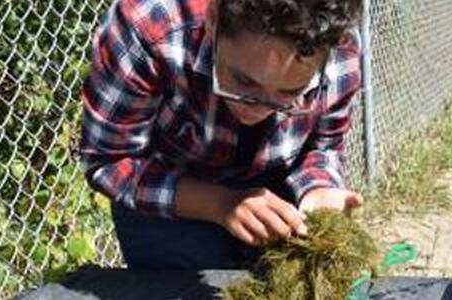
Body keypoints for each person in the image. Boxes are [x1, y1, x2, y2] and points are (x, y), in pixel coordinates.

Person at [80, 0, 363, 270]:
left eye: (289, 93)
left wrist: (319, 189)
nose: (261, 109)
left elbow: (323, 145)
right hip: (168, 189)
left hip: (275, 181)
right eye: (244, 82)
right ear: (213, 18)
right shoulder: (147, 26)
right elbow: (111, 162)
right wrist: (221, 205)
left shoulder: (338, 45)